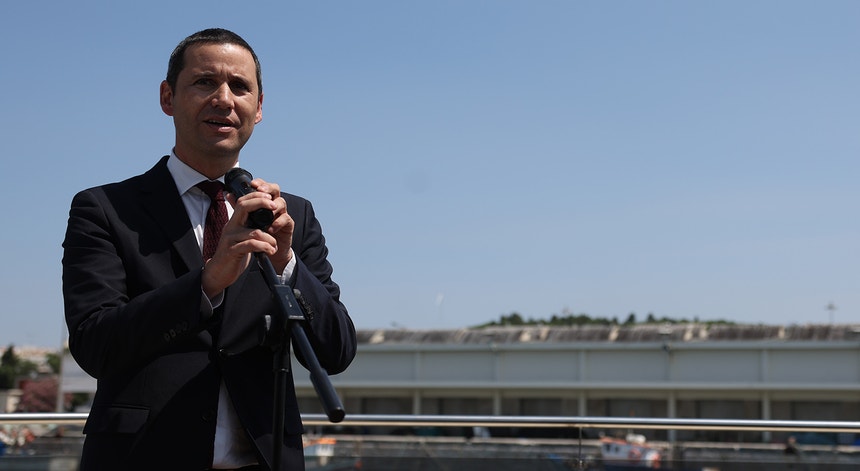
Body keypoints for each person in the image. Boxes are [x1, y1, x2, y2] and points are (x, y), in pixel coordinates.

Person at [62, 28, 357, 471]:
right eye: (204, 82)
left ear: (259, 108)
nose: (224, 98)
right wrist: (207, 283)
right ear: (167, 97)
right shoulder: (105, 209)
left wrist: (286, 264)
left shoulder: (291, 215)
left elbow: (337, 352)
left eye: (240, 86)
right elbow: (94, 345)